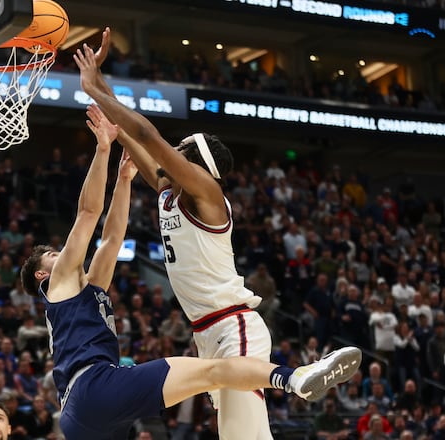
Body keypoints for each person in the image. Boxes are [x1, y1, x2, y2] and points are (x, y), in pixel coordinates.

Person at [72, 29, 360, 440]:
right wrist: (98, 81)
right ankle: (297, 376)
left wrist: (95, 91)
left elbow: (149, 136)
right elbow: (134, 137)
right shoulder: (169, 192)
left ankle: (299, 375)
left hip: (233, 327)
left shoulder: (208, 194)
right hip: (207, 335)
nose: (172, 151)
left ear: (197, 166)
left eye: (182, 150)